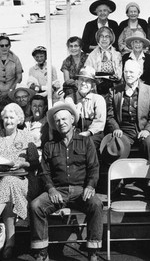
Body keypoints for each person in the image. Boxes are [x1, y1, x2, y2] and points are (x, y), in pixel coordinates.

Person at [30, 102, 102, 261]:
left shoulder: (85, 142)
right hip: (58, 191)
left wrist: (90, 185)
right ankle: (41, 253)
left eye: (64, 119)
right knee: (36, 206)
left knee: (96, 205)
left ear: (72, 120)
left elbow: (94, 167)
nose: (61, 123)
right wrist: (51, 189)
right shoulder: (50, 146)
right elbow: (44, 172)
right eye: (57, 121)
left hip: (80, 191)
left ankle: (93, 253)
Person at [0, 103, 39, 259]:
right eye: (5, 118)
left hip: (23, 179)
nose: (8, 121)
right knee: (7, 185)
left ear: (19, 119)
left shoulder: (26, 136)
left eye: (12, 118)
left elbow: (35, 163)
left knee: (10, 182)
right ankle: (10, 243)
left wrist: (22, 163)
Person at [104, 60, 150, 167]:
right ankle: (118, 177)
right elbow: (110, 116)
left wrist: (147, 130)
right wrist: (115, 128)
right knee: (116, 144)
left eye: (131, 72)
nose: (128, 75)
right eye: (125, 72)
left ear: (139, 73)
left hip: (143, 129)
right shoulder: (114, 91)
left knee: (148, 142)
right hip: (123, 131)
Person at [68, 66, 106, 152]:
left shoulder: (98, 99)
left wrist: (88, 132)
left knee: (88, 144)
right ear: (77, 82)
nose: (84, 83)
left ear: (92, 86)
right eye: (81, 79)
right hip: (75, 132)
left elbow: (99, 122)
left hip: (94, 133)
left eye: (87, 81)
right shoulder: (69, 99)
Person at [0, 35, 23, 114]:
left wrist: (10, 91)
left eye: (7, 45)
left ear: (10, 46)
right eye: (2, 45)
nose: (4, 48)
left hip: (11, 93)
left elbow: (19, 77)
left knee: (12, 114)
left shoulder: (15, 58)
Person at [84, 26, 122, 95]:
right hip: (96, 87)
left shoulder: (117, 55)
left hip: (113, 87)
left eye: (107, 36)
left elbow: (119, 75)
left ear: (111, 39)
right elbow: (87, 73)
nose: (104, 39)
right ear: (98, 39)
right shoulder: (92, 55)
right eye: (101, 36)